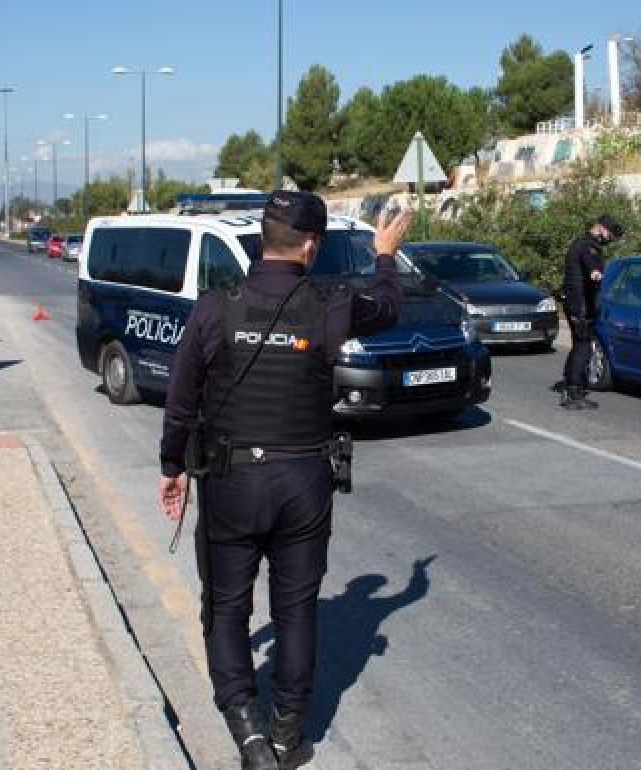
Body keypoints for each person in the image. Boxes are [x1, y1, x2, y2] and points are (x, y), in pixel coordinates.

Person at [157, 191, 411, 770]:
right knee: (296, 609)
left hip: (231, 482)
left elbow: (180, 402)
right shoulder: (330, 303)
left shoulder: (214, 307)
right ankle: (287, 734)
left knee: (226, 606)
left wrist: (172, 467)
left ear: (261, 239)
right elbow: (388, 305)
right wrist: (385, 252)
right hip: (303, 482)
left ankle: (246, 730)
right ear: (311, 244)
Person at [555, 214, 624, 410]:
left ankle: (569, 384)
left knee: (579, 345)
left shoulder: (581, 242)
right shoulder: (589, 246)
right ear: (601, 228)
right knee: (584, 347)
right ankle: (574, 393)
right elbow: (591, 264)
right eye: (610, 235)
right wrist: (595, 272)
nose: (610, 239)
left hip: (575, 303)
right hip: (580, 305)